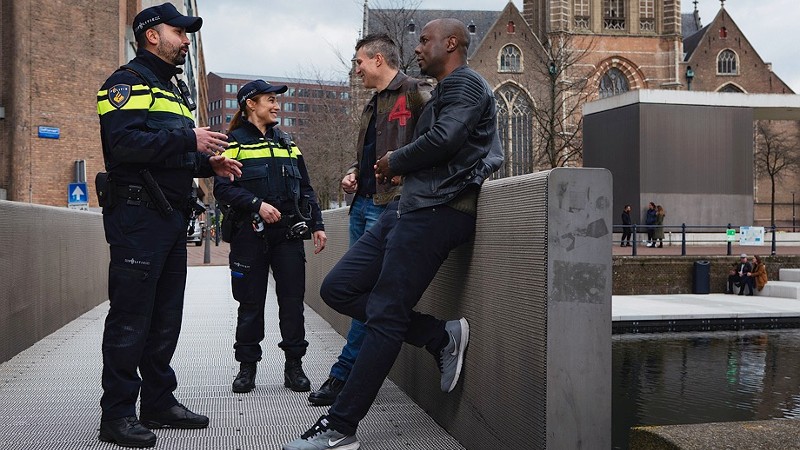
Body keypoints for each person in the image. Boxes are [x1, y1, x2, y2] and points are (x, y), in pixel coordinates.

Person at [283, 18, 504, 450]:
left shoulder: (465, 84)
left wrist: (394, 162)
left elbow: (446, 139)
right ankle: (438, 335)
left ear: (452, 43)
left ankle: (340, 428)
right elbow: (440, 146)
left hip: (438, 212)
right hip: (409, 208)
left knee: (385, 313)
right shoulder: (445, 90)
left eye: (425, 40)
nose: (418, 47)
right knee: (339, 287)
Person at [95, 3, 242, 448]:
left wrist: (206, 163)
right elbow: (123, 146)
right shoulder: (124, 83)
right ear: (152, 35)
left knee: (164, 318)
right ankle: (117, 414)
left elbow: (167, 152)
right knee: (130, 319)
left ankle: (158, 401)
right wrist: (188, 137)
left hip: (170, 217)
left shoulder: (174, 90)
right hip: (137, 218)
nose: (186, 40)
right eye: (179, 32)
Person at [309, 33, 432, 407]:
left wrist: (407, 174)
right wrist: (352, 171)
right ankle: (434, 336)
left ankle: (344, 376)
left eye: (359, 61)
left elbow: (437, 142)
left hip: (391, 206)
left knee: (370, 296)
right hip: (363, 204)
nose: (356, 68)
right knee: (360, 294)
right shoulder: (373, 104)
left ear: (378, 59)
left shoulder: (417, 91)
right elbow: (372, 154)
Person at [214, 80, 327, 395]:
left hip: (288, 236)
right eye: (270, 100)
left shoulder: (288, 143)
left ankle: (295, 367)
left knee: (292, 303)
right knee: (250, 304)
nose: (277, 105)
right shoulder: (232, 142)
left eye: (277, 101)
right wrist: (257, 205)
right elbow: (222, 188)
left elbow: (305, 187)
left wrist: (317, 223)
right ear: (251, 104)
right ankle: (247, 368)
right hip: (249, 236)